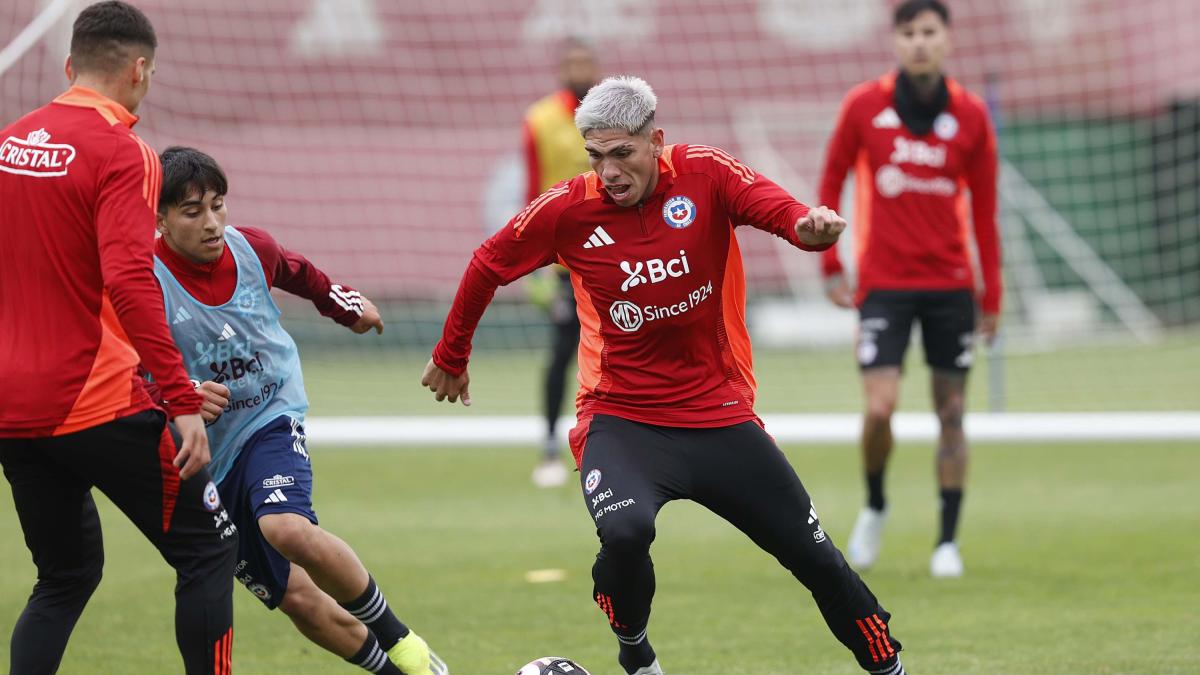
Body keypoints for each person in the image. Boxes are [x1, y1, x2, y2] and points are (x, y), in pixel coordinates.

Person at [422, 76, 905, 675]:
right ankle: (635, 648)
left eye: (622, 153)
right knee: (624, 533)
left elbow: (778, 210)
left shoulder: (706, 173)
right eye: (596, 156)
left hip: (720, 416)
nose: (609, 172)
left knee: (818, 560)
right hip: (621, 419)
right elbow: (487, 263)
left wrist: (807, 229)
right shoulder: (568, 209)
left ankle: (889, 667)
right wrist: (451, 355)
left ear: (656, 140)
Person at [148, 146, 449, 675]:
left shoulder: (251, 249)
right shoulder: (143, 278)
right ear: (160, 218)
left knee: (285, 527)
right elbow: (124, 370)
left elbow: (302, 273)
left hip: (271, 413)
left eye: (218, 205)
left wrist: (347, 308)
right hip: (206, 457)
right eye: (193, 212)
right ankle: (407, 672)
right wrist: (182, 392)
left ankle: (401, 642)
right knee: (298, 599)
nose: (213, 223)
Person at [0, 3, 237, 673]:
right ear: (140, 70)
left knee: (65, 575)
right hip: (95, 397)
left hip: (13, 408)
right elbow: (130, 280)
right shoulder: (123, 153)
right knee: (210, 548)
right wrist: (181, 398)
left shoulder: (9, 142)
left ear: (71, 66)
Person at [817, 0, 1001, 578]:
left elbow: (987, 214)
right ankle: (875, 504)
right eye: (909, 33)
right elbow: (831, 179)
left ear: (947, 40)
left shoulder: (970, 115)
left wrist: (990, 294)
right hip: (884, 285)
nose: (919, 42)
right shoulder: (863, 105)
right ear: (895, 41)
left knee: (951, 412)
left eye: (929, 32)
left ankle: (947, 541)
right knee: (880, 407)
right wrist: (829, 263)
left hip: (949, 285)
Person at [521, 37, 600, 488]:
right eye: (571, 62)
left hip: (612, 254)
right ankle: (551, 445)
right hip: (564, 263)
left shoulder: (615, 114)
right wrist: (535, 269)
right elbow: (533, 190)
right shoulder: (541, 119)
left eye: (585, 60)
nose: (579, 68)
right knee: (561, 353)